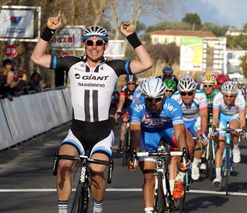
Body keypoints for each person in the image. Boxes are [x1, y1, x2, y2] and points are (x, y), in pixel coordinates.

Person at [31, 11, 152, 213]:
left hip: (101, 135)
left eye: (99, 43)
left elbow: (147, 64)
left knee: (97, 173)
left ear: (105, 46)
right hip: (76, 132)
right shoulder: (71, 64)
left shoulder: (114, 66)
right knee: (63, 166)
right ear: (84, 45)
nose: (94, 47)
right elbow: (37, 57)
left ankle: (97, 207)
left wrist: (131, 36)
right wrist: (49, 30)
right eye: (90, 42)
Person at [129, 77, 189, 213]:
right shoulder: (137, 108)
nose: (153, 103)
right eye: (149, 99)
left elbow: (179, 134)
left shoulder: (172, 105)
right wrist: (134, 154)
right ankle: (149, 210)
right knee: (149, 176)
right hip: (148, 136)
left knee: (188, 140)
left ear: (163, 97)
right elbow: (136, 134)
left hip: (167, 131)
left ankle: (179, 177)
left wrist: (184, 154)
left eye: (157, 99)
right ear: (144, 98)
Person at [171, 75, 208, 181]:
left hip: (195, 120)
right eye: (183, 93)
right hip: (181, 121)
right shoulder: (175, 97)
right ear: (179, 92)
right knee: (188, 144)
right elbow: (171, 118)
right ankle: (184, 163)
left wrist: (202, 133)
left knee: (201, 140)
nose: (187, 96)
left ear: (194, 92)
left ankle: (195, 164)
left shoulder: (201, 95)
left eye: (190, 93)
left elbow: (204, 115)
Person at [212, 80, 247, 185]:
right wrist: (214, 128)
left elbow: (242, 118)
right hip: (222, 117)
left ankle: (235, 147)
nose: (228, 98)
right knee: (220, 146)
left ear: (235, 95)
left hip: (234, 117)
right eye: (226, 96)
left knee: (233, 127)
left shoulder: (240, 99)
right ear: (222, 94)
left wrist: (243, 129)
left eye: (231, 96)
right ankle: (218, 176)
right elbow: (215, 117)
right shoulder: (217, 98)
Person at [114, 74, 138, 151]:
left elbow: (140, 101)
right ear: (126, 83)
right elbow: (121, 100)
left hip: (137, 107)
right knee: (124, 122)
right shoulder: (124, 89)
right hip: (127, 107)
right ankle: (120, 143)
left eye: (132, 83)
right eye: (129, 84)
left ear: (135, 83)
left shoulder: (139, 89)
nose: (131, 85)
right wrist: (119, 110)